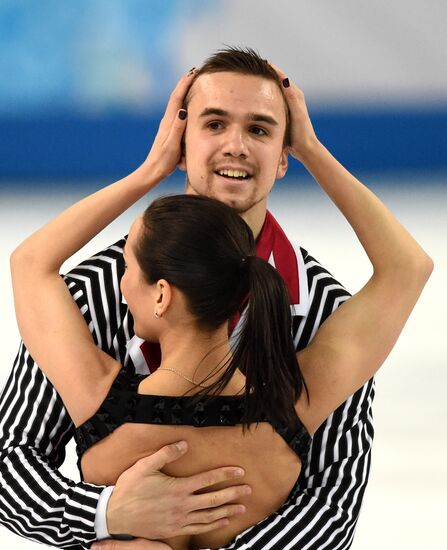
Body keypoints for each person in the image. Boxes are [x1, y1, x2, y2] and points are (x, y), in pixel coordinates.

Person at [0, 47, 432, 550]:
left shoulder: (320, 307)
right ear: (181, 143)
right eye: (214, 124)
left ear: (283, 155)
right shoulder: (93, 289)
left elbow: (330, 507)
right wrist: (103, 512)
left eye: (261, 130)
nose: (236, 146)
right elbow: (12, 460)